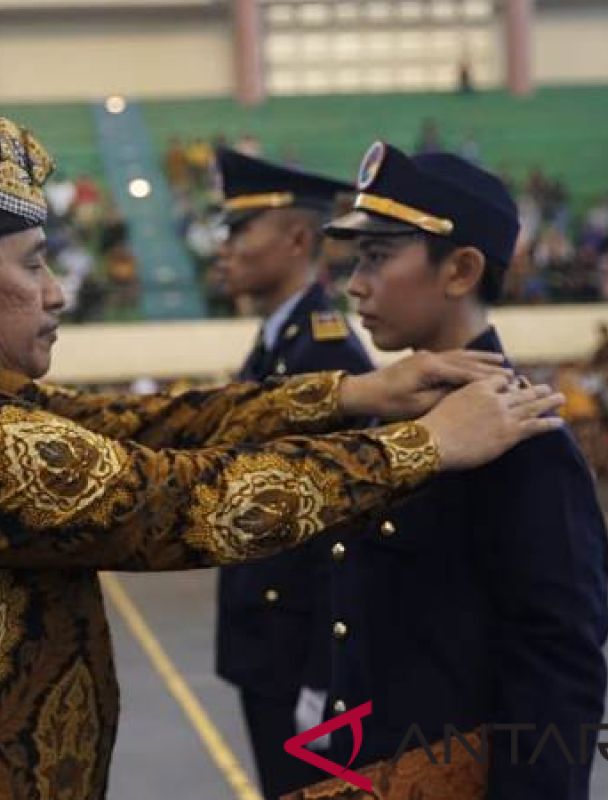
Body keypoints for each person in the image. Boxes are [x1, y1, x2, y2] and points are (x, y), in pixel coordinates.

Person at [0, 117, 565, 799]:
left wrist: (348, 393)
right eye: (34, 267)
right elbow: (186, 499)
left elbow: (152, 424)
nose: (57, 295)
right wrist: (425, 443)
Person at [303, 141, 608, 798]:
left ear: (461, 270)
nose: (356, 282)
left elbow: (556, 666)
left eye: (379, 256)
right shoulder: (399, 412)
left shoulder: (520, 434)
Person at [213, 146, 375, 799]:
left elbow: (348, 525)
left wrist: (327, 674)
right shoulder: (280, 343)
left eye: (240, 230)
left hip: (302, 657)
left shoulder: (325, 353)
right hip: (269, 648)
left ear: (298, 238)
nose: (224, 248)